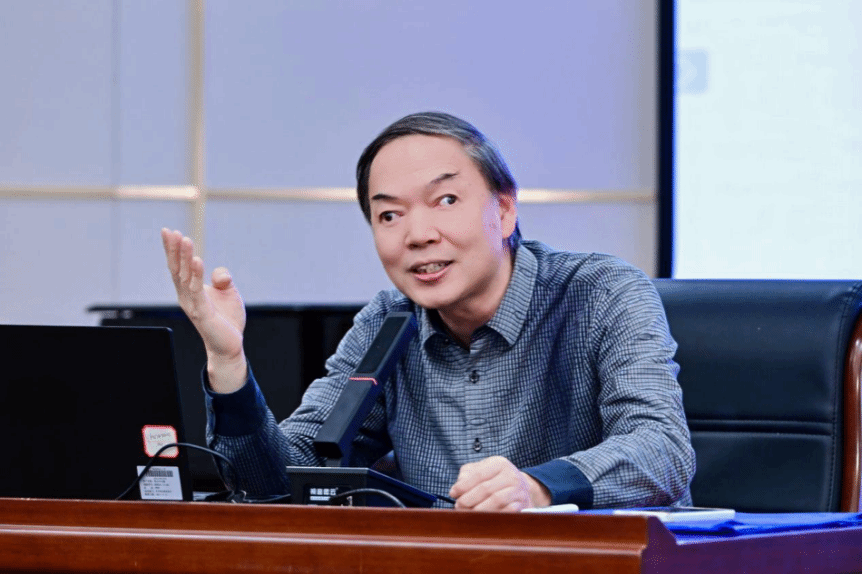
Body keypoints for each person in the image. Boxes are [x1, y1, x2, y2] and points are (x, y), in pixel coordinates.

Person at [161, 111, 695, 511]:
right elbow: (280, 486)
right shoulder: (387, 323)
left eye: (446, 201)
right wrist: (228, 363)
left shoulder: (600, 293)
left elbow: (662, 449)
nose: (417, 235)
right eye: (389, 215)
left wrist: (537, 487)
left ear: (505, 209)